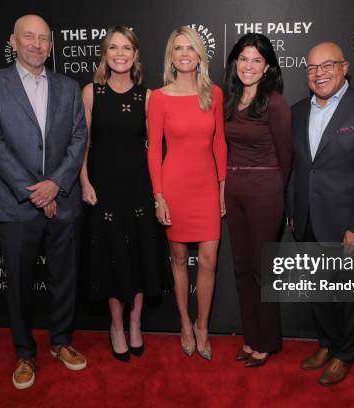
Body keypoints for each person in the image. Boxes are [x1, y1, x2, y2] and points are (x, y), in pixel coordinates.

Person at [0, 15, 87, 389]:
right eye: (29, 37)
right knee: (19, 284)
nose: (37, 44)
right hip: (16, 204)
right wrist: (35, 192)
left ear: (51, 46)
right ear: (13, 40)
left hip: (64, 199)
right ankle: (24, 352)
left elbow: (78, 139)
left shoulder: (69, 87)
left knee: (65, 278)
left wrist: (55, 184)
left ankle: (62, 341)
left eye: (44, 39)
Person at [287, 42, 354, 385]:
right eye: (312, 67)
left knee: (349, 295)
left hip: (347, 222)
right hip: (307, 219)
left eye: (327, 65)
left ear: (345, 67)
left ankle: (345, 353)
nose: (319, 73)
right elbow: (298, 169)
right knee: (317, 291)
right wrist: (293, 210)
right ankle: (326, 344)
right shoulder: (298, 111)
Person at [80, 26, 167, 362]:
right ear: (105, 53)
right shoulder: (91, 92)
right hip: (103, 189)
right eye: (113, 48)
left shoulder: (147, 96)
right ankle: (116, 326)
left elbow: (156, 148)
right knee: (111, 258)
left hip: (139, 189)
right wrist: (84, 182)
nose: (119, 54)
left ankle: (135, 323)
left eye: (126, 48)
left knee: (141, 256)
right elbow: (82, 144)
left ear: (135, 55)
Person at [147, 26, 227, 361]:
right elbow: (153, 151)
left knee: (208, 261)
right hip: (174, 187)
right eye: (177, 48)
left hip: (206, 187)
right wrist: (159, 196)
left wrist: (222, 189)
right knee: (179, 260)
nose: (184, 54)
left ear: (199, 56)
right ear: (171, 56)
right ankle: (183, 324)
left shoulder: (215, 94)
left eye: (190, 48)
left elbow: (219, 144)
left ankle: (203, 326)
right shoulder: (159, 98)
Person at [223, 33, 291, 368]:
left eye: (256, 60)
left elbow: (286, 156)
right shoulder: (229, 99)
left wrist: (276, 193)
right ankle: (251, 337)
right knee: (240, 268)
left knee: (261, 270)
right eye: (243, 59)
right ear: (235, 62)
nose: (248, 66)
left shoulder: (274, 102)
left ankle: (267, 341)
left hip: (265, 191)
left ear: (267, 68)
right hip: (234, 189)